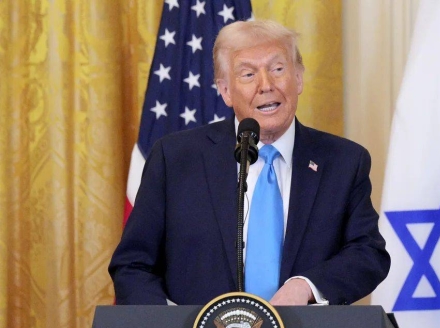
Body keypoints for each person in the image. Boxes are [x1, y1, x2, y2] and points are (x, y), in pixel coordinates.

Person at [109, 20, 390, 306]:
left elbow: (368, 253)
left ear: (299, 78)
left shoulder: (343, 161)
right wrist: (175, 325)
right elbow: (132, 265)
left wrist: (307, 286)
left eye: (278, 69)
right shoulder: (175, 159)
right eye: (247, 74)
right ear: (225, 90)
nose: (266, 85)